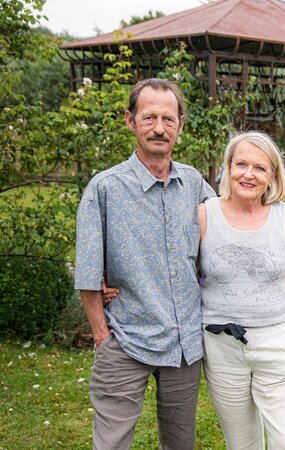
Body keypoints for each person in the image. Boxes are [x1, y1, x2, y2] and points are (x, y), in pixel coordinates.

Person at [74, 78, 214, 449]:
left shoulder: (195, 184)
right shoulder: (104, 189)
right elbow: (87, 272)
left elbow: (228, 232)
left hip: (184, 344)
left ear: (181, 126)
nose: (158, 128)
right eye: (148, 117)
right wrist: (103, 338)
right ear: (130, 121)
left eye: (168, 119)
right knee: (113, 442)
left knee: (180, 443)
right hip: (125, 339)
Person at [199, 131, 285, 449]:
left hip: (275, 340)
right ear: (229, 167)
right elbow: (181, 275)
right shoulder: (205, 214)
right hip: (221, 347)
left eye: (260, 168)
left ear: (272, 176)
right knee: (242, 444)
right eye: (241, 164)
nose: (248, 174)